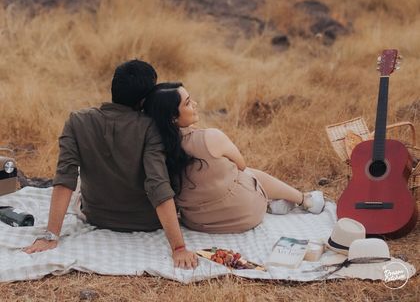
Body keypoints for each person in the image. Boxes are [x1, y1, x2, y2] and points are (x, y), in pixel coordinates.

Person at [23, 60, 198, 269]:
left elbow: (65, 179)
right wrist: (178, 248)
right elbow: (157, 185)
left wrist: (51, 236)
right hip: (148, 222)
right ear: (144, 100)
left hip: (96, 217)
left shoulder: (77, 121)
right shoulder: (150, 127)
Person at [143, 83, 325, 234]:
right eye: (189, 103)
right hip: (247, 215)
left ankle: (277, 203)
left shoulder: (153, 149)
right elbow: (241, 165)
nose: (196, 104)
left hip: (199, 224)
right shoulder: (211, 137)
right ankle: (304, 200)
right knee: (247, 173)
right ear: (174, 117)